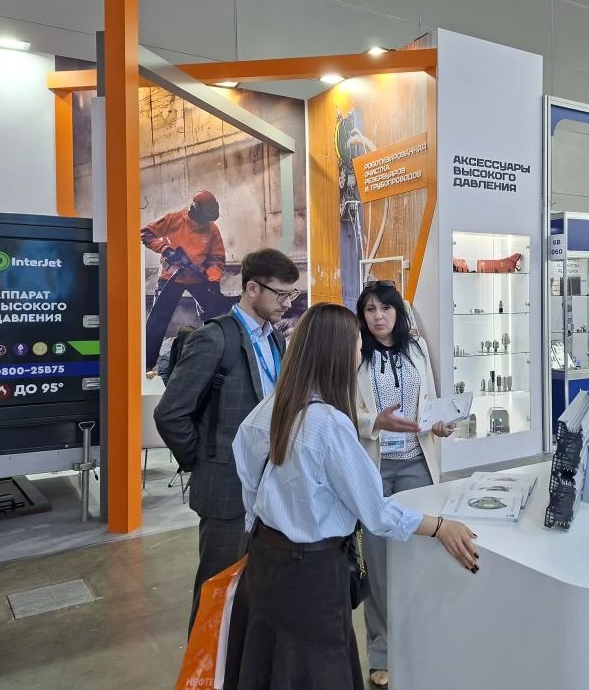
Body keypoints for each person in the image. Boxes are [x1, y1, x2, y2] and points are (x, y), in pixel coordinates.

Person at [225, 303, 479, 689]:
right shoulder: (328, 424)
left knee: (272, 664)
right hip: (313, 573)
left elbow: (248, 482)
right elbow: (376, 512)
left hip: (265, 563)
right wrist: (440, 526)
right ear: (337, 355)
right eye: (357, 346)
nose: (360, 354)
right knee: (319, 668)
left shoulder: (269, 409)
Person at [153, 248, 300, 632]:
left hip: (269, 487)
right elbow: (171, 414)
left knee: (258, 590)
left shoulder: (276, 341)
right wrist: (203, 461)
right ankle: (205, 666)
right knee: (217, 592)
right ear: (252, 288)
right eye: (281, 294)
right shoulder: (214, 339)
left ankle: (242, 662)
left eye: (291, 294)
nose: (287, 303)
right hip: (226, 489)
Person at [353, 281, 454, 689]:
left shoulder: (418, 349)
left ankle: (422, 639)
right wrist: (373, 421)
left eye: (385, 308)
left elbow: (429, 402)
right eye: (370, 310)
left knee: (419, 553)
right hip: (374, 467)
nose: (378, 316)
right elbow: (346, 411)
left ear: (398, 311)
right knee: (378, 564)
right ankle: (381, 652)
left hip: (417, 462)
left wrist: (438, 425)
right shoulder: (355, 354)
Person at [141, 190, 230, 370]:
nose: (205, 223)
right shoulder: (174, 220)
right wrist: (166, 250)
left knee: (215, 314)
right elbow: (146, 233)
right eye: (204, 219)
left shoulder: (212, 229)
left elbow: (216, 259)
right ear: (195, 210)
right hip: (170, 277)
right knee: (158, 320)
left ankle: (215, 357)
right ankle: (146, 365)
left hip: (199, 278)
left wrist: (213, 281)